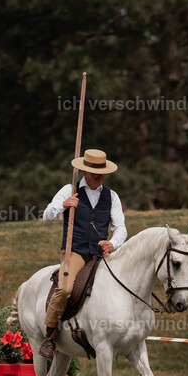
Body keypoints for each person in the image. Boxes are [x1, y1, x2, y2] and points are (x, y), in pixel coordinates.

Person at [39, 149, 127, 358]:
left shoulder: (111, 196)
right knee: (65, 289)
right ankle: (50, 335)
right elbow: (46, 216)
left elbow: (121, 227)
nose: (100, 177)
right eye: (96, 173)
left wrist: (113, 243)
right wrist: (63, 205)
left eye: (102, 173)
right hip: (75, 251)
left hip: (99, 254)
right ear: (86, 173)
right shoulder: (69, 190)